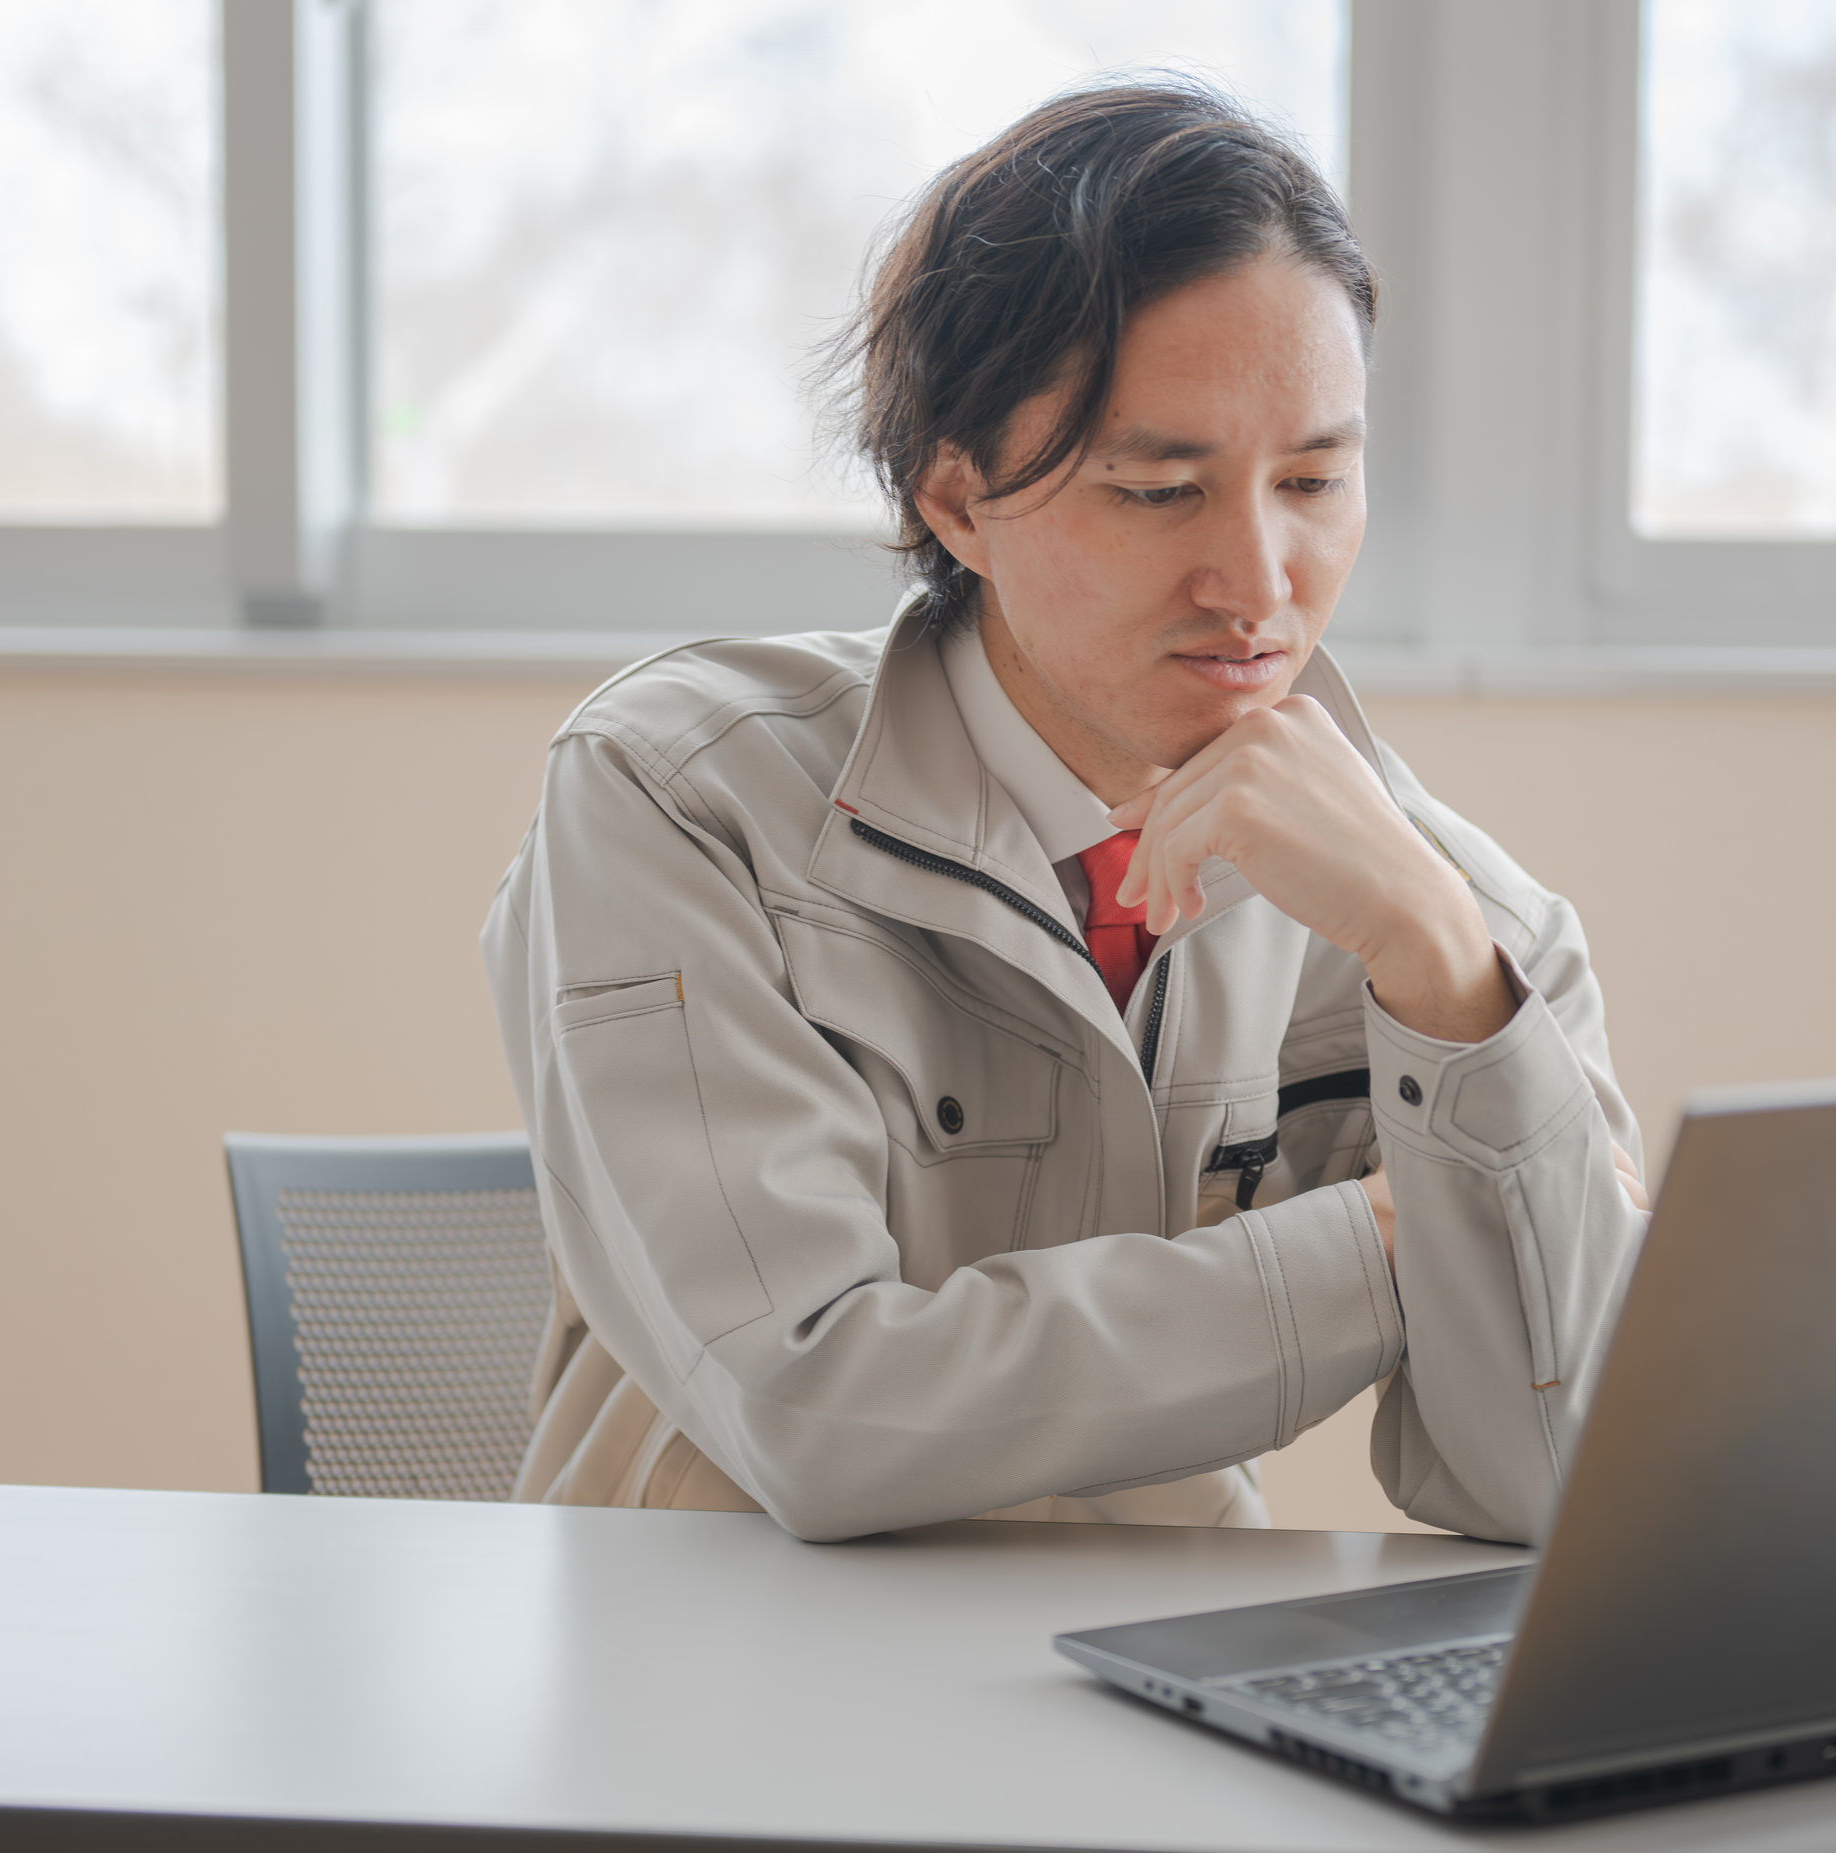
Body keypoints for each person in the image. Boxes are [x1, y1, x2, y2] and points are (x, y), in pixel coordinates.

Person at [483, 81, 1649, 1544]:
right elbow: (817, 1407)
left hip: (1164, 1704)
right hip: (708, 1708)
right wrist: (1386, 1247)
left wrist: (1446, 972)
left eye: (1314, 479)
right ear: (959, 502)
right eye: (1163, 491)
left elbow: (1557, 1479)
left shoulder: (1456, 917)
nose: (1260, 577)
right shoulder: (676, 797)